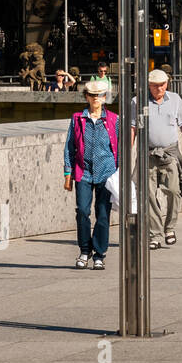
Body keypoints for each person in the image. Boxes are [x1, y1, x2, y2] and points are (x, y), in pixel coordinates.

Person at [133, 69, 182, 249]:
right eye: (155, 86)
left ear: (167, 84)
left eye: (163, 85)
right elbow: (133, 128)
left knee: (173, 191)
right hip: (147, 154)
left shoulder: (174, 100)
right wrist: (126, 151)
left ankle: (170, 228)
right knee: (148, 195)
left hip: (169, 153)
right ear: (149, 85)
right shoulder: (137, 101)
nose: (159, 89)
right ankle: (155, 234)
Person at [62, 77, 118, 269]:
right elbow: (70, 147)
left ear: (105, 98)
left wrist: (120, 174)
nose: (96, 99)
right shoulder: (77, 119)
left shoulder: (113, 120)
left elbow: (120, 148)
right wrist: (67, 174)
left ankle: (99, 253)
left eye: (100, 96)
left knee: (103, 214)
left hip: (107, 172)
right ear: (86, 97)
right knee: (83, 212)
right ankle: (84, 250)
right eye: (92, 95)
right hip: (83, 172)